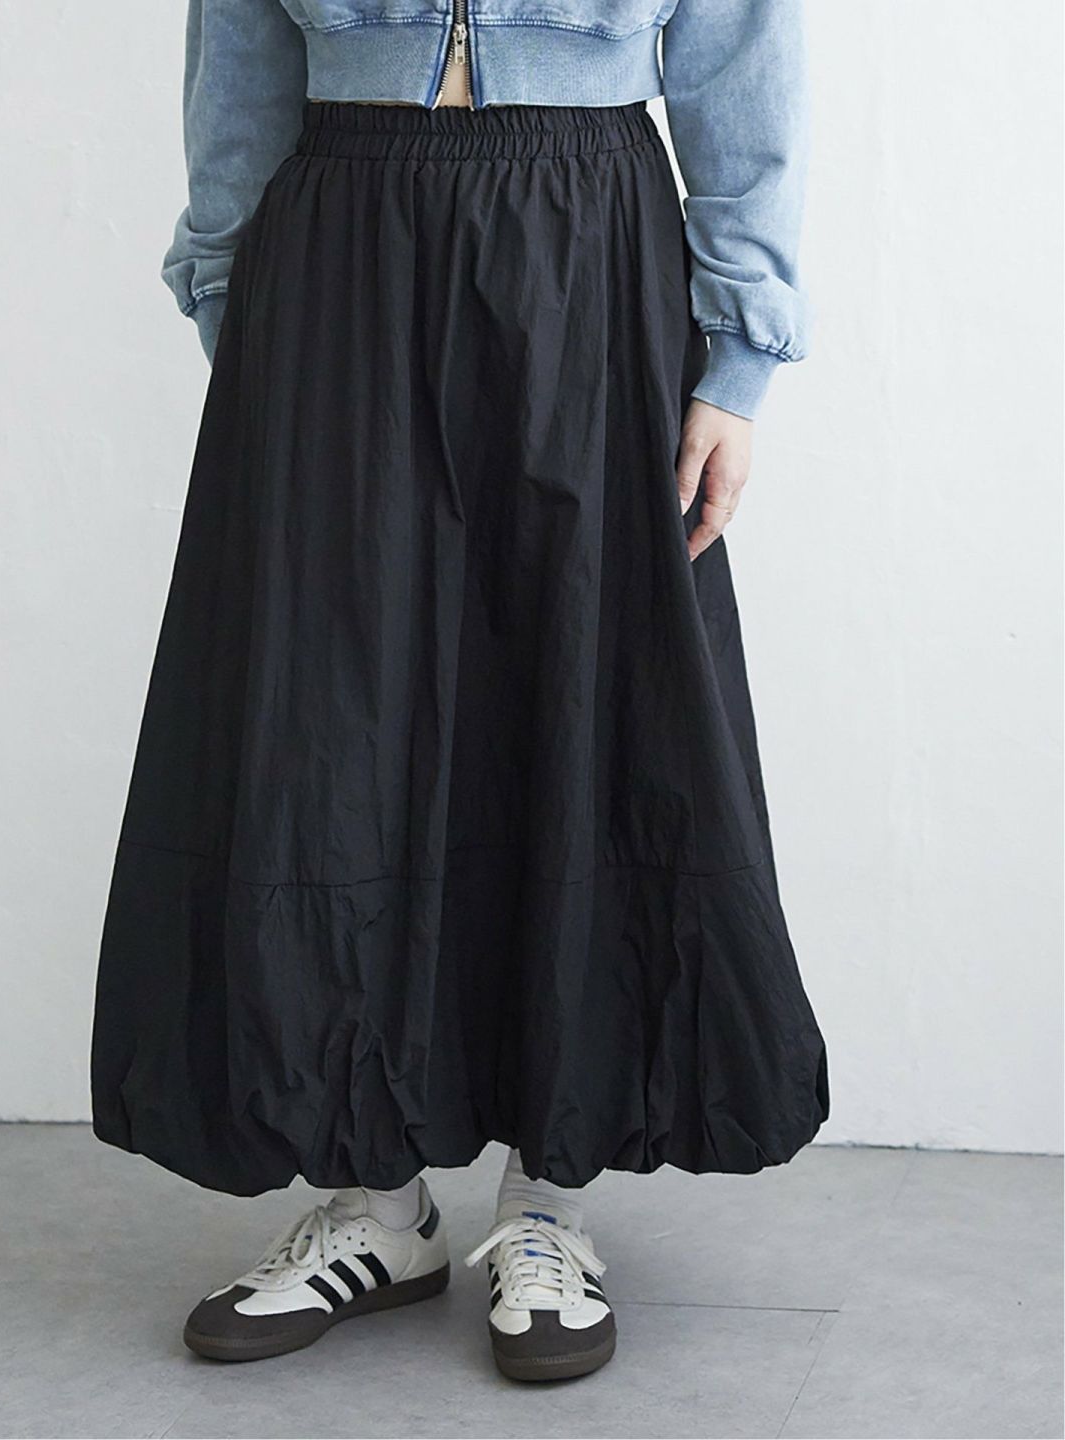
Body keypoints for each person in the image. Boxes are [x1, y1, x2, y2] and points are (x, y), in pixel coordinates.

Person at [90, 0, 829, 1383]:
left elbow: (741, 54)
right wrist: (240, 300)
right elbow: (240, 56)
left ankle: (549, 1199)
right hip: (337, 248)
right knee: (329, 725)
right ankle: (376, 1202)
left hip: (589, 244)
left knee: (579, 706)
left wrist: (737, 367)